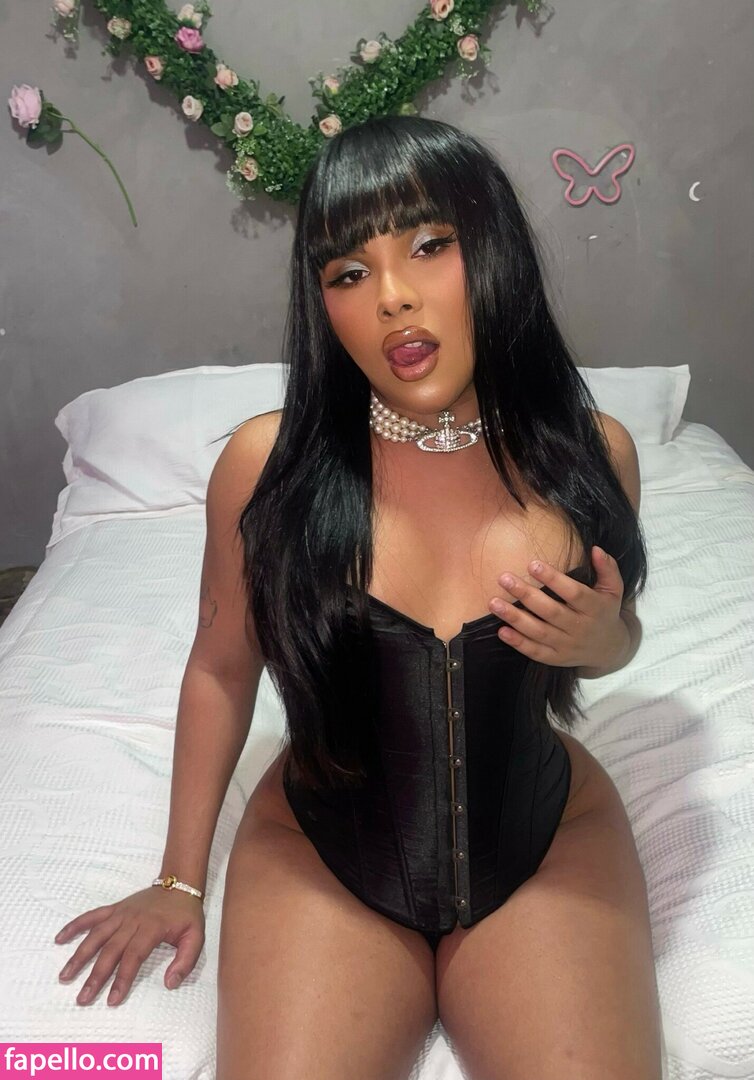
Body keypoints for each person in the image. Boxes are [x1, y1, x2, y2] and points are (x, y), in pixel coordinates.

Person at [54, 115, 664, 1079]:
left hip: (545, 841)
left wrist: (603, 643)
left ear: (495, 248)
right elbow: (220, 668)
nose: (391, 297)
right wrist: (177, 878)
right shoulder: (268, 468)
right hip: (324, 854)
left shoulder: (594, 455)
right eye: (347, 272)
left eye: (429, 245)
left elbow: (616, 634)